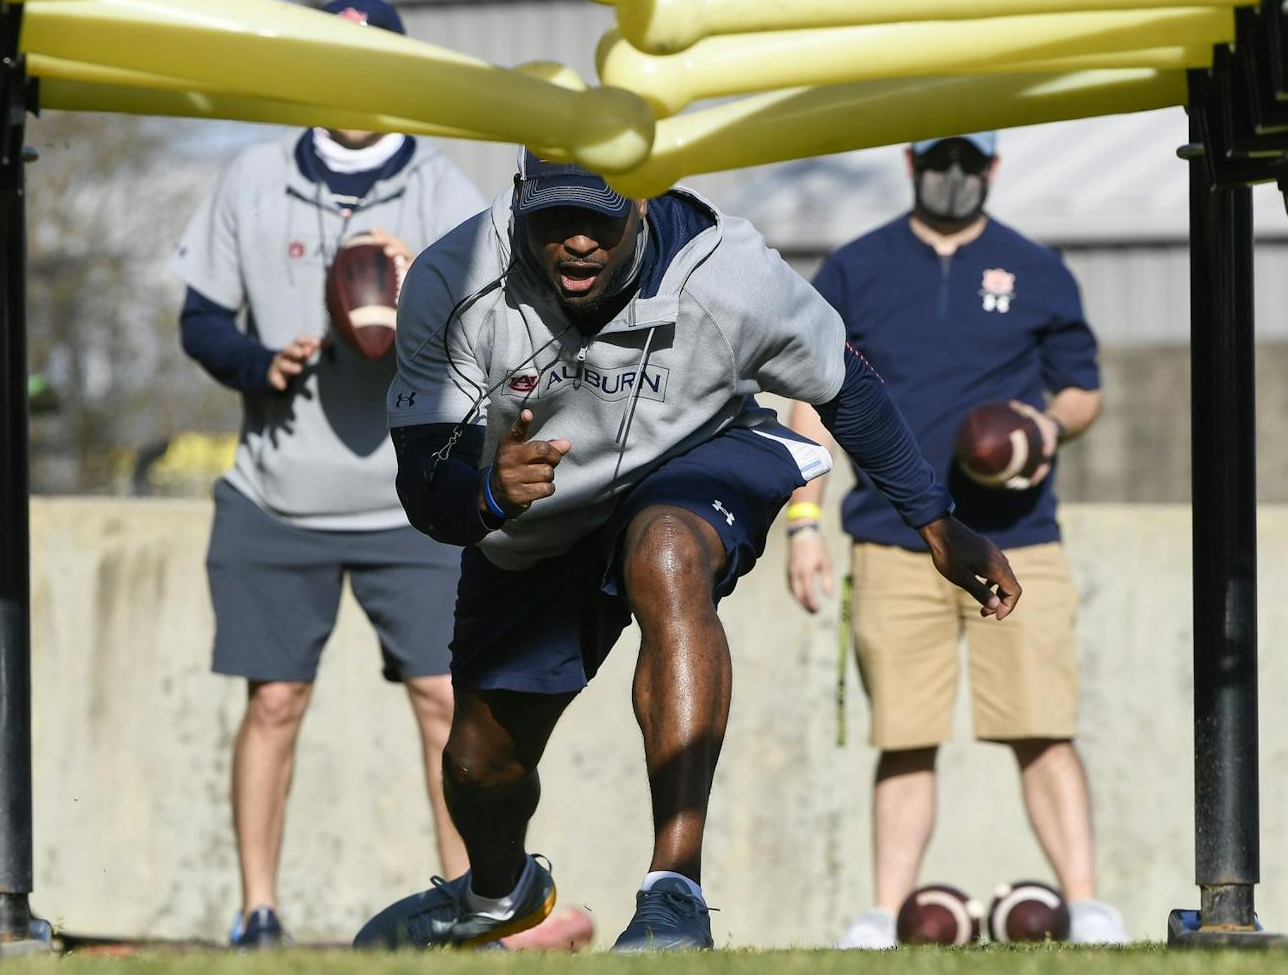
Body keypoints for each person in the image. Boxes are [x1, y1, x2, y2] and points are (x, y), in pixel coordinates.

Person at [351, 148, 1021, 952]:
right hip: (537, 512)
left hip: (697, 454)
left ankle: (674, 891)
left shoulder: (727, 271)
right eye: (556, 218)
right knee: (478, 764)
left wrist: (937, 521)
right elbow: (427, 485)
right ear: (520, 197)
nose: (578, 242)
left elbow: (843, 385)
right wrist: (489, 493)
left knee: (665, 552)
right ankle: (495, 893)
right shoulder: (452, 278)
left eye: (599, 217)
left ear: (642, 199)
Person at [174, 0, 592, 951]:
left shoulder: (442, 190)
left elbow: (502, 330)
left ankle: (476, 906)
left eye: (373, 65)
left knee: (446, 698)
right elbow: (199, 318)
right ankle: (257, 911)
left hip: (414, 496)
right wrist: (259, 363)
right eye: (336, 60)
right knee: (274, 700)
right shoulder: (254, 177)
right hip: (279, 490)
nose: (353, 83)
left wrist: (420, 300)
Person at [782, 133, 1124, 948]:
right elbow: (812, 399)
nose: (954, 175)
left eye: (970, 162)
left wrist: (1045, 425)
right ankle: (883, 912)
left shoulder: (1036, 267)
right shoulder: (857, 267)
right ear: (911, 163)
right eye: (939, 160)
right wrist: (804, 522)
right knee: (905, 734)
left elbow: (1082, 390)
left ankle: (1086, 906)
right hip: (893, 539)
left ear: (992, 170)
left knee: (1042, 725)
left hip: (1017, 538)